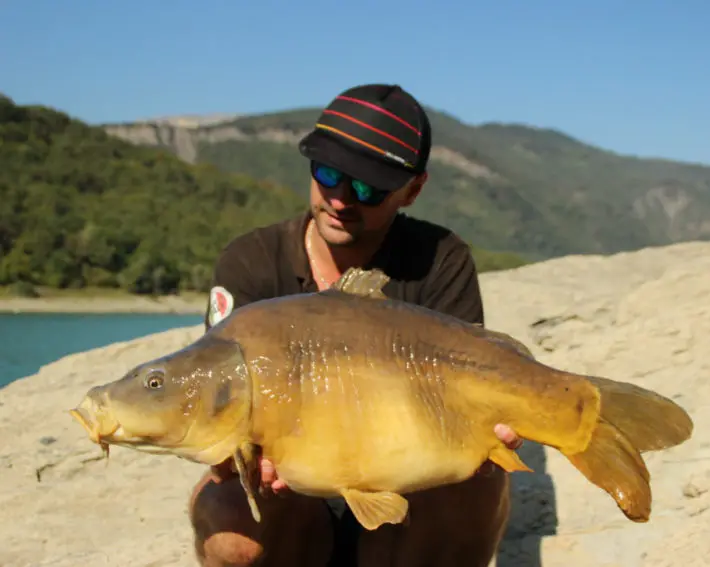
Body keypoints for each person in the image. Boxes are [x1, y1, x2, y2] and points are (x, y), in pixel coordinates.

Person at [189, 83, 522, 567]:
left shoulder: (440, 260)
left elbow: (466, 392)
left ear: (413, 189)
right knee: (226, 519)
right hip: (292, 488)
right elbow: (216, 404)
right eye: (328, 174)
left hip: (405, 477)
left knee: (481, 479)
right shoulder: (250, 262)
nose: (342, 200)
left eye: (368, 188)